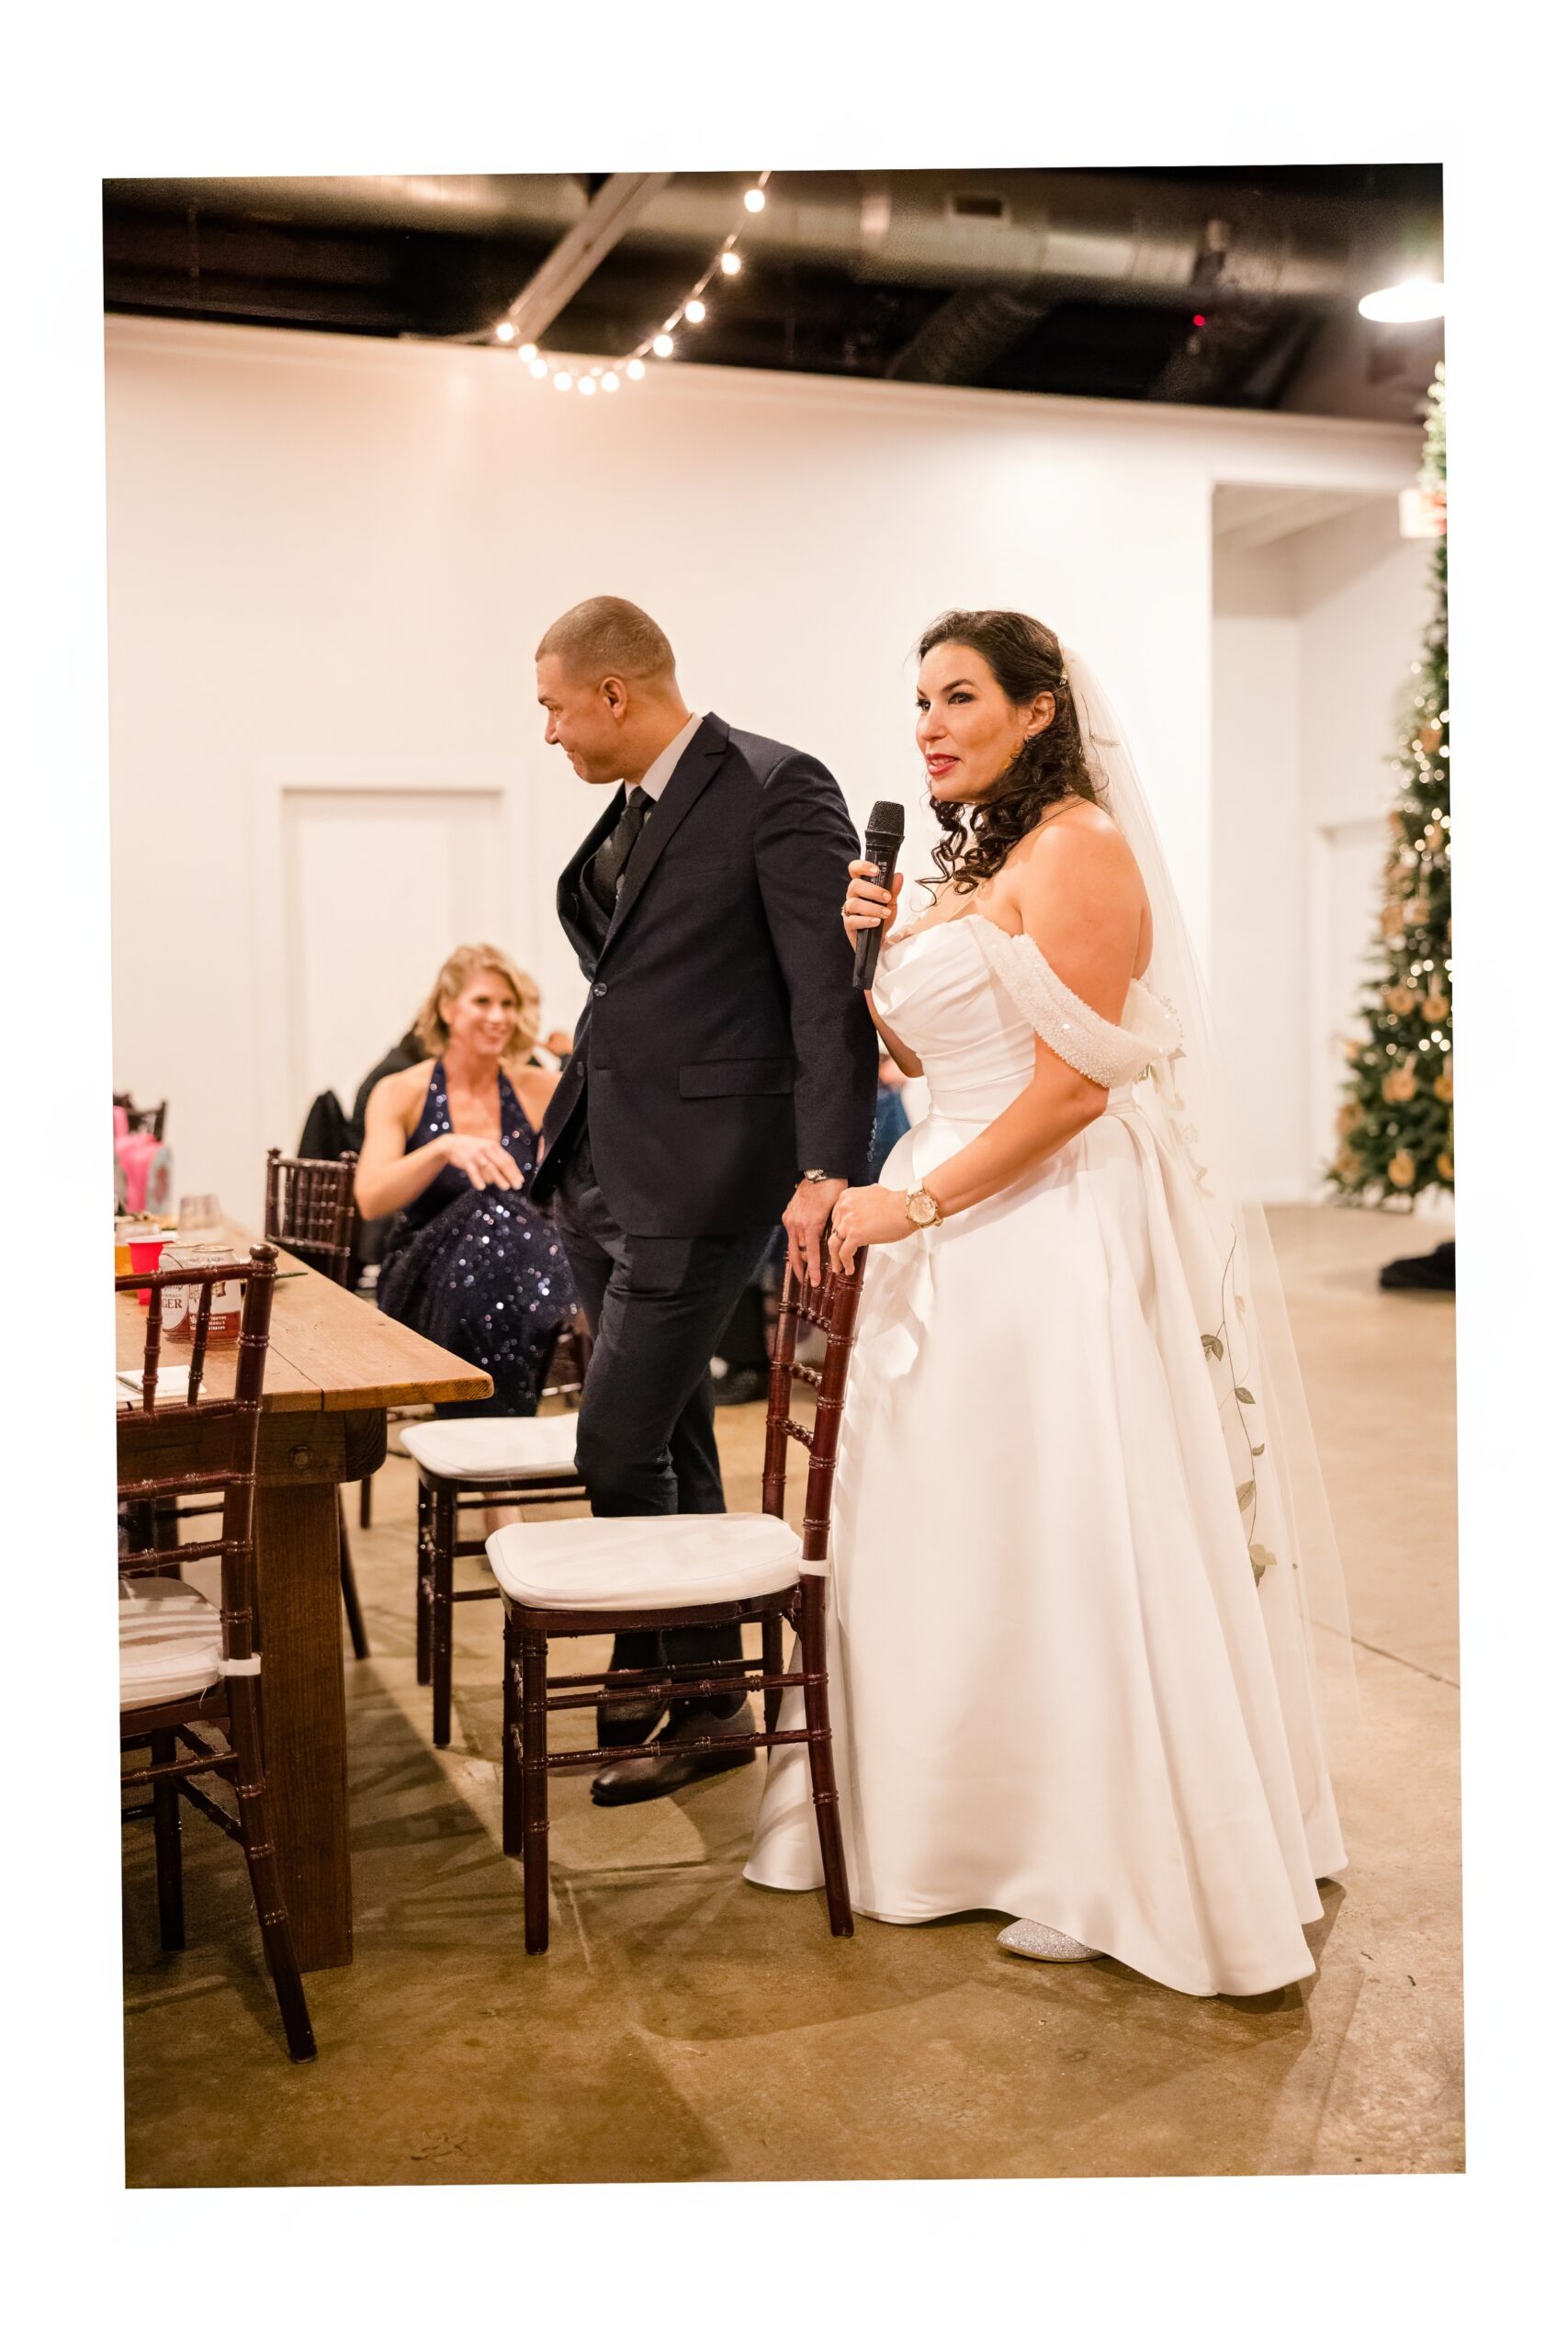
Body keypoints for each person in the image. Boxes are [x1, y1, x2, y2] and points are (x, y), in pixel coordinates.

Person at [745, 610, 1355, 2000]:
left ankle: (1096, 1851)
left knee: (1061, 1529)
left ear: (1035, 710)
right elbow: (946, 1054)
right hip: (953, 1208)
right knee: (959, 1527)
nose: (927, 727)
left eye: (958, 697)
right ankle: (958, 1821)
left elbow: (1074, 1090)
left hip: (1040, 1229)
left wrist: (906, 1204)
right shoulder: (983, 859)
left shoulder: (1078, 845)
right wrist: (871, 962)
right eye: (916, 703)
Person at [530, 594, 878, 1804]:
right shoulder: (628, 810)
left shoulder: (775, 787)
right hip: (601, 1169)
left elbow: (822, 994)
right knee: (667, 1435)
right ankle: (673, 1674)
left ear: (613, 694)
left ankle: (705, 1689)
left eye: (553, 708)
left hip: (709, 1171)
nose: (549, 734)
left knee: (611, 1440)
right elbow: (624, 984)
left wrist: (828, 1170)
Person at [355, 945, 576, 1419]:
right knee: (487, 1217)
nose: (499, 1016)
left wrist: (574, 1061)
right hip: (425, 1276)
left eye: (509, 1004)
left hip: (533, 1271)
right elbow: (371, 1199)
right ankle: (500, 1448)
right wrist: (442, 1148)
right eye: (483, 1002)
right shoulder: (400, 1091)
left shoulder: (537, 1088)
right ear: (446, 1007)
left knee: (509, 1224)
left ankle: (490, 1444)